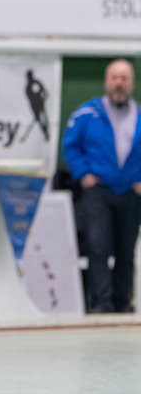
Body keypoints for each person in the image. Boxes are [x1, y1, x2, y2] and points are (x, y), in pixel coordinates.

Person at [63, 59, 140, 313]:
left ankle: (122, 302)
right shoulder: (87, 114)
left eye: (124, 78)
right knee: (98, 246)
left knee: (126, 250)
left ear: (132, 83)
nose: (119, 83)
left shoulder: (139, 115)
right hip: (98, 192)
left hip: (131, 192)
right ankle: (100, 303)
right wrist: (83, 173)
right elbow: (71, 146)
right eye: (114, 78)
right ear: (107, 82)